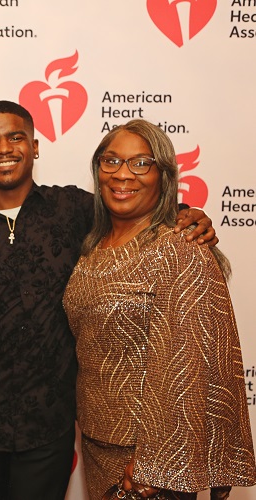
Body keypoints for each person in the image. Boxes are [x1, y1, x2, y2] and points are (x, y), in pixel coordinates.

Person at [0, 101, 217, 500]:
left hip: (50, 431)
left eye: (15, 137)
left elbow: (136, 208)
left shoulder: (75, 210)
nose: (3, 148)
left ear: (35, 146)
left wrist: (187, 214)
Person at [63, 119, 256, 500]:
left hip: (149, 462)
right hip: (99, 442)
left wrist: (157, 463)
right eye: (110, 160)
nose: (122, 174)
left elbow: (188, 367)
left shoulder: (180, 248)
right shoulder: (92, 246)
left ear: (163, 175)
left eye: (140, 163)